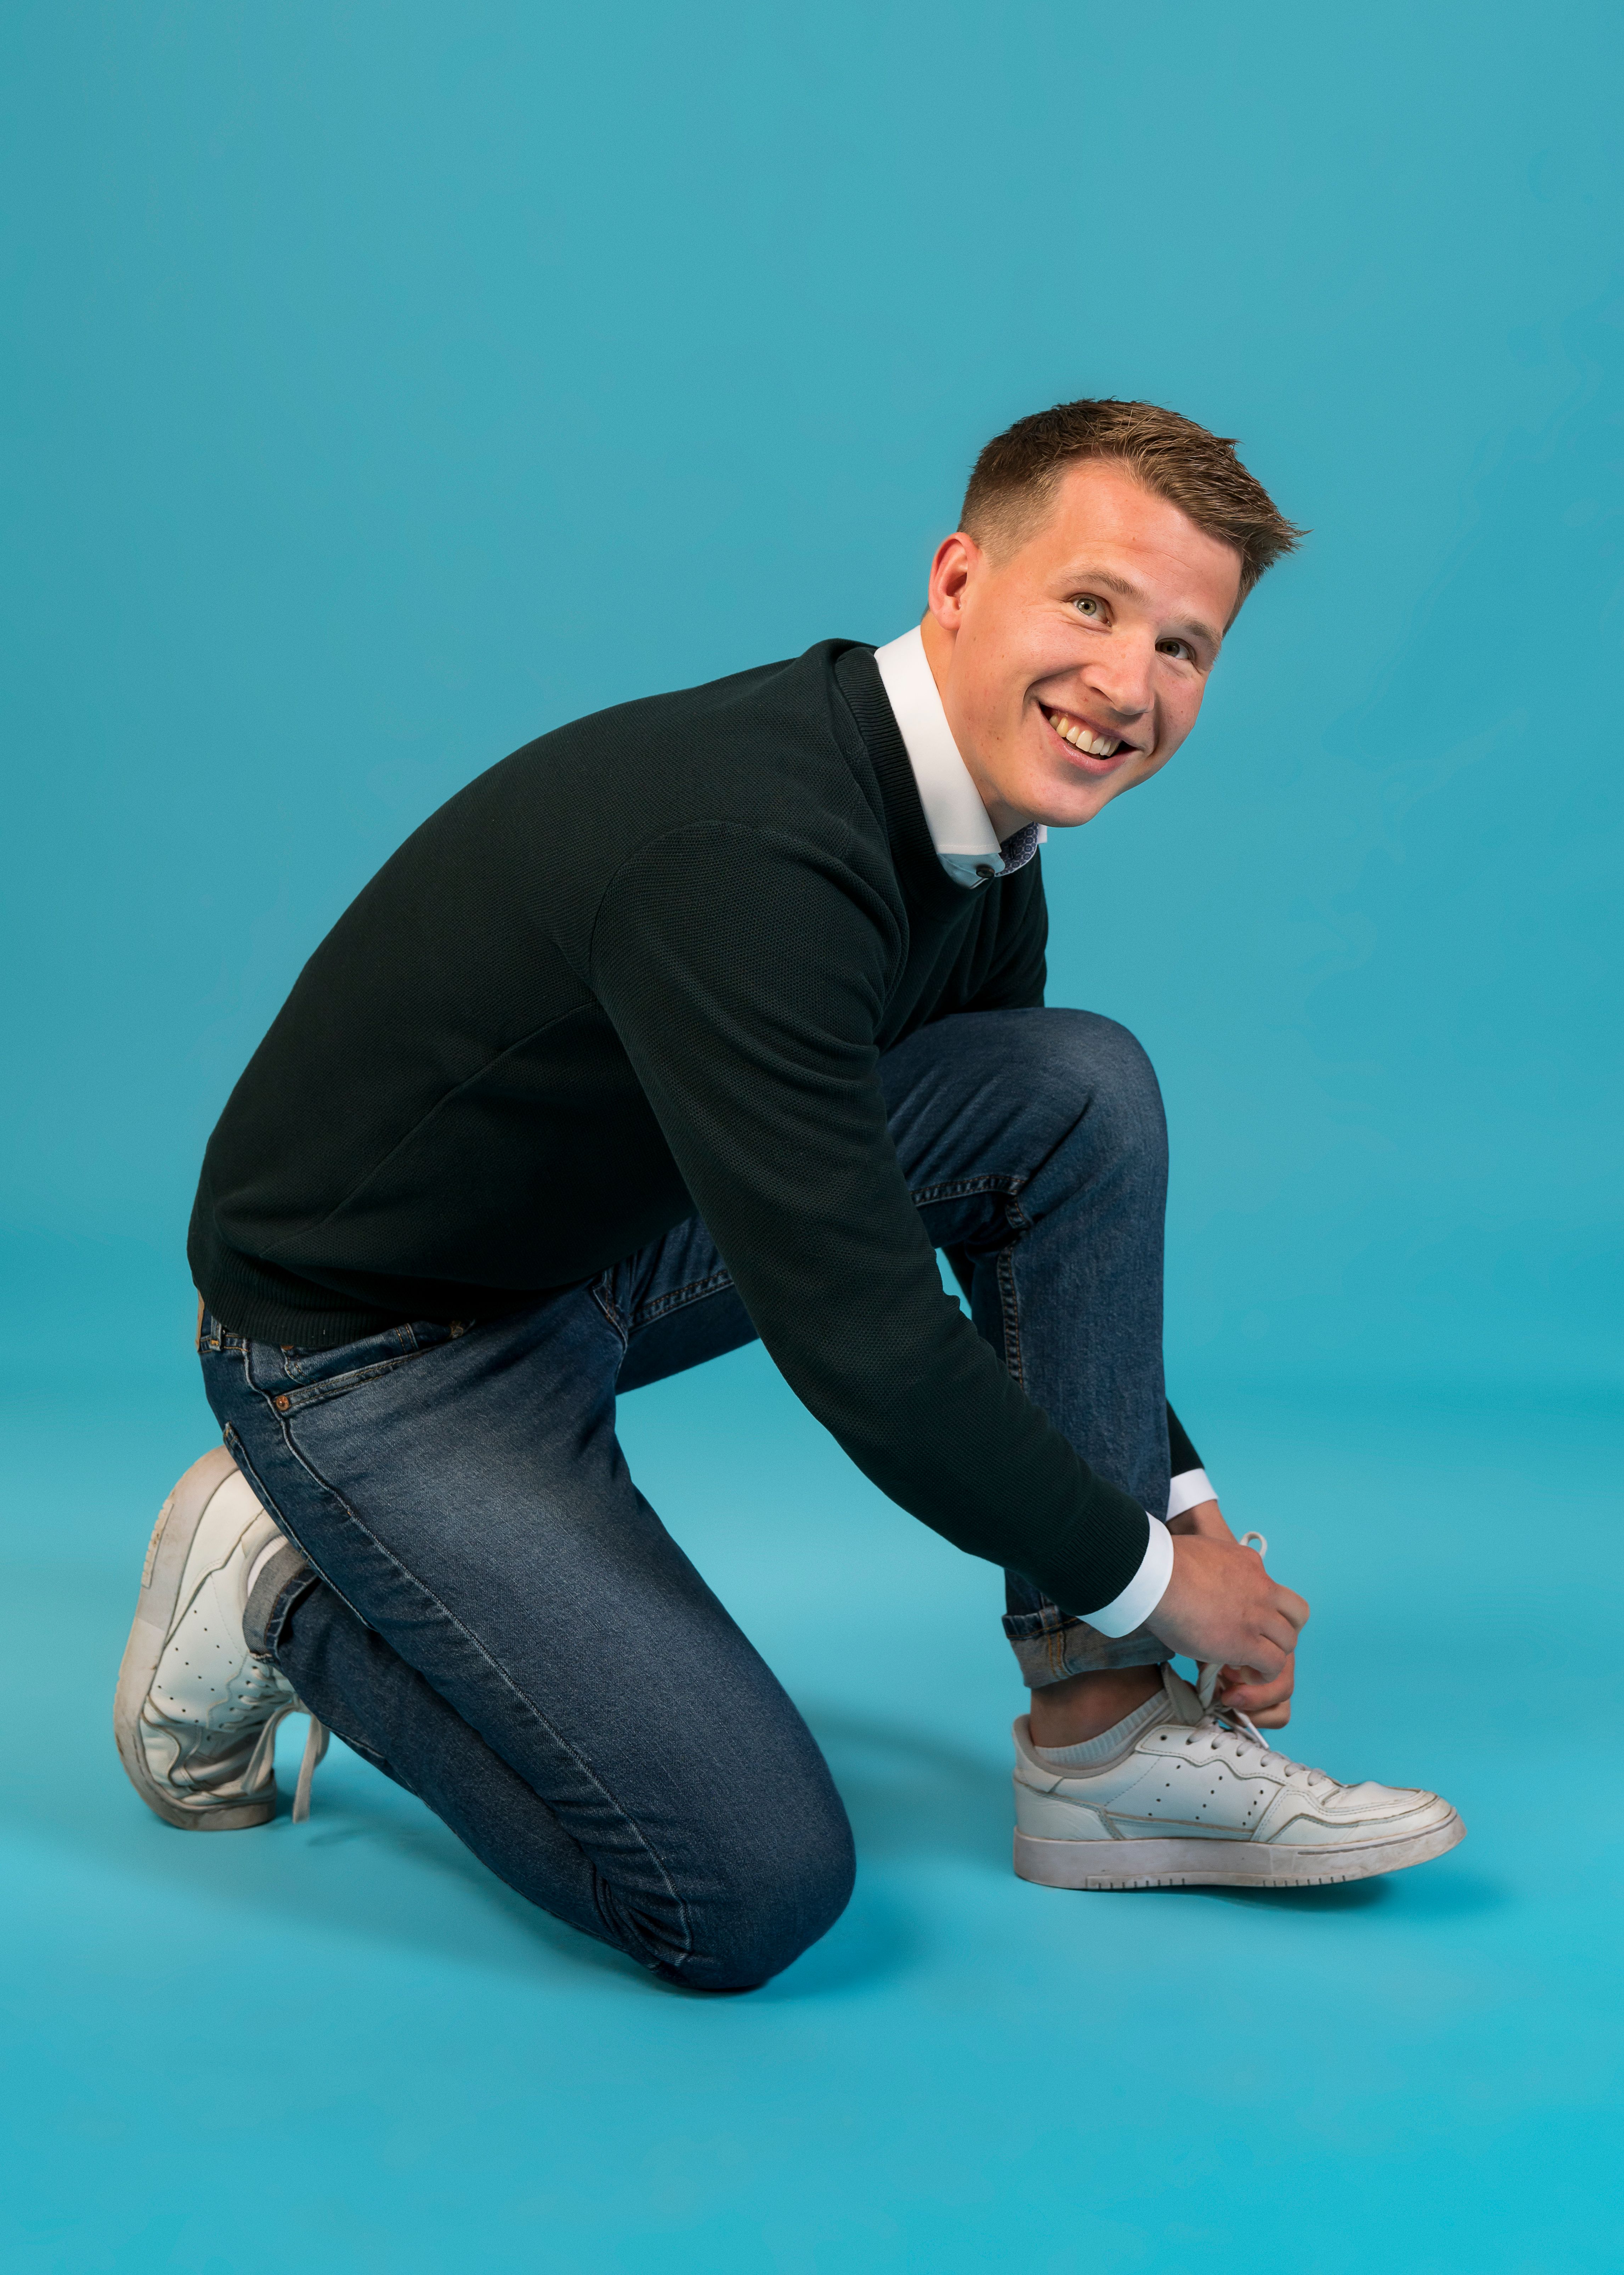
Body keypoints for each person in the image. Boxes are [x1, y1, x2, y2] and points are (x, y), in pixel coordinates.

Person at [114, 398, 1463, 1990]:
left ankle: (1105, 1746)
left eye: (1184, 647)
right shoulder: (753, 852)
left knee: (1071, 1087)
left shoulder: (979, 824)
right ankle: (277, 1592)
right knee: (744, 1890)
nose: (1128, 685)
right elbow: (871, 1346)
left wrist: (1171, 1501)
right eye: (1091, 605)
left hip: (604, 1228)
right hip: (375, 1350)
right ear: (957, 581)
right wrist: (1169, 1588)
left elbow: (1001, 1206)